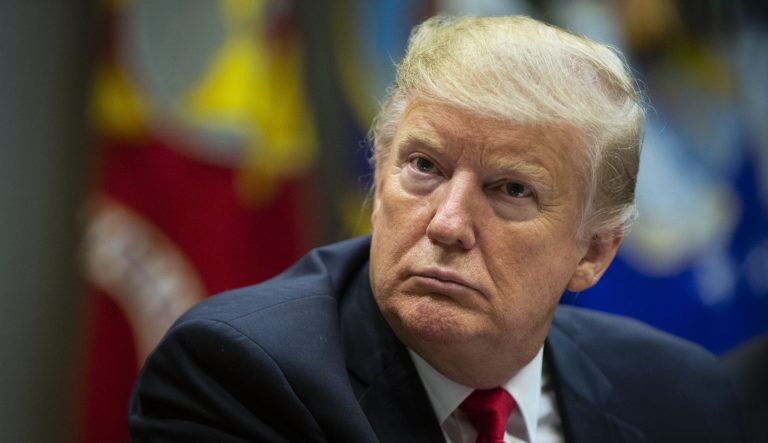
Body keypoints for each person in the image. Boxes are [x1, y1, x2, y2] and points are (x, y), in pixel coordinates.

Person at [128, 15, 747, 442]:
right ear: (378, 179)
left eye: (511, 190)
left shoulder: (683, 396)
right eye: (424, 167)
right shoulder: (239, 375)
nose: (448, 224)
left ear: (593, 252)